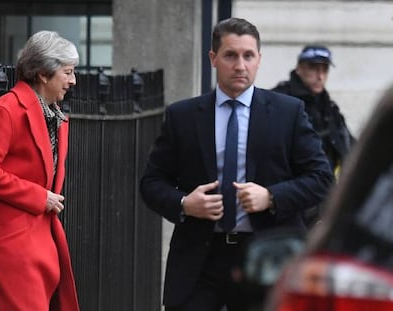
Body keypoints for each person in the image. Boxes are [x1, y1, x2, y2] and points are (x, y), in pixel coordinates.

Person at [140, 17, 333, 311]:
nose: (240, 65)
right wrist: (183, 203)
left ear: (259, 59)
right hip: (200, 259)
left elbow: (321, 178)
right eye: (230, 55)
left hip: (268, 255)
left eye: (248, 56)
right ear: (213, 58)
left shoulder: (288, 112)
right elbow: (151, 183)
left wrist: (271, 196)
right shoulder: (183, 116)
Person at [0, 30, 80, 310]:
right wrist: (39, 197)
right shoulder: (6, 110)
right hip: (11, 242)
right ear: (44, 74)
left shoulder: (54, 114)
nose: (73, 80)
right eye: (68, 72)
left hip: (38, 239)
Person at [272, 45, 355, 178]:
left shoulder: (328, 106)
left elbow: (348, 145)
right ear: (299, 68)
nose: (320, 76)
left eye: (325, 69)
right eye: (314, 68)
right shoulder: (281, 101)